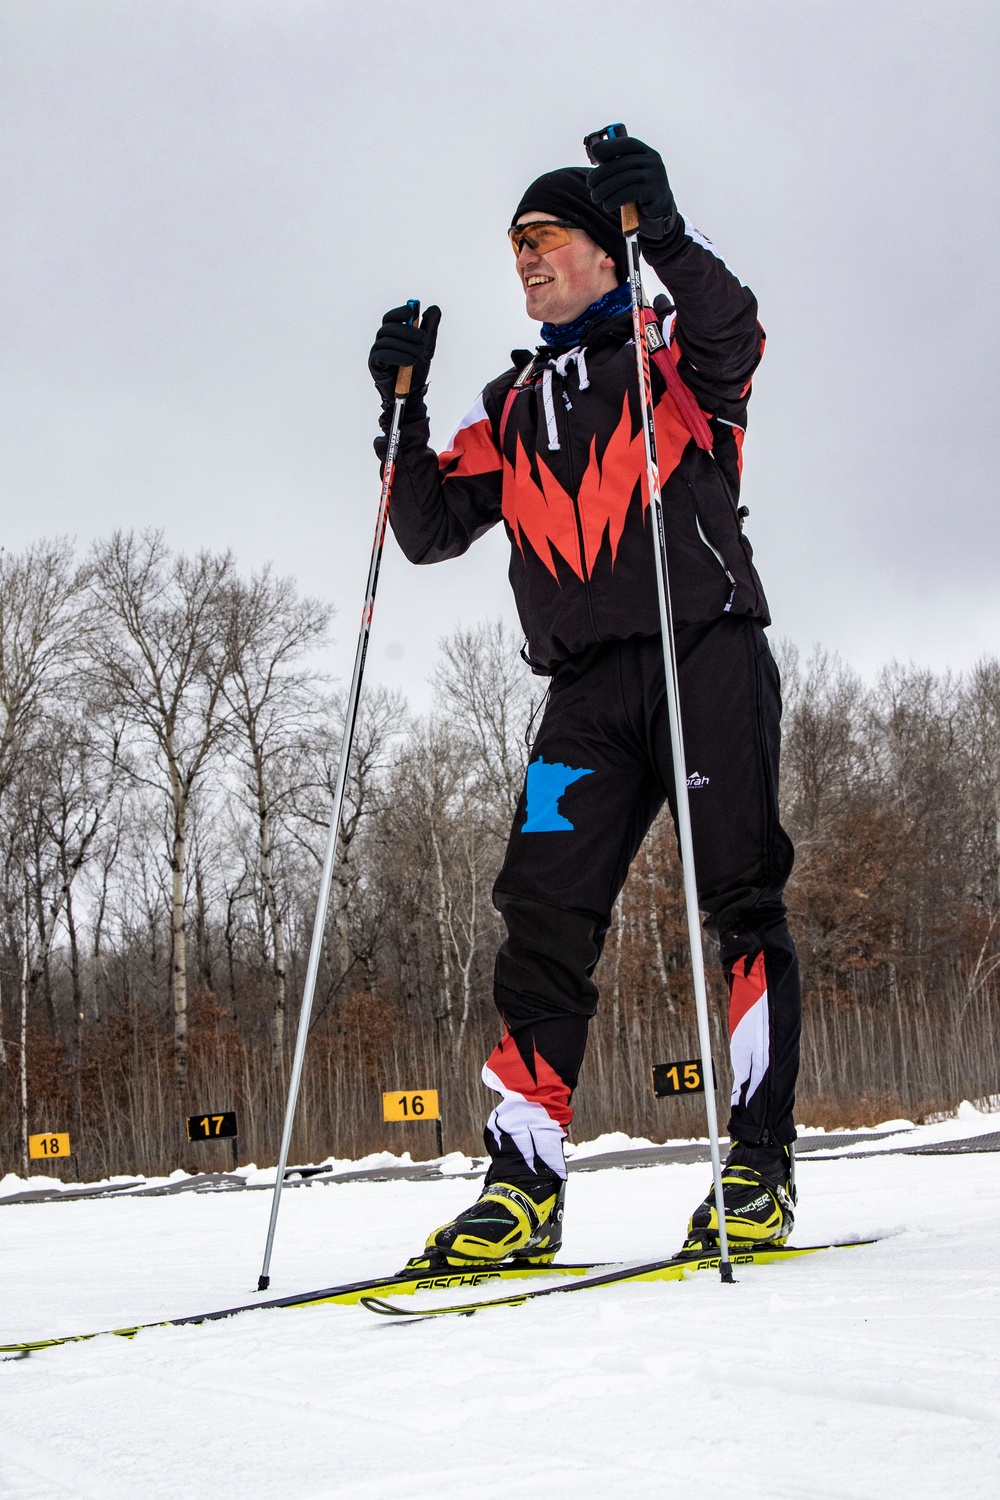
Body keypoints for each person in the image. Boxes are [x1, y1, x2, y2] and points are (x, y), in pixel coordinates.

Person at [368, 133, 800, 1269]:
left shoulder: (674, 356)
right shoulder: (509, 407)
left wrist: (657, 226)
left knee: (742, 897)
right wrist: (399, 412)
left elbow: (735, 326)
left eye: (542, 237)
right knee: (543, 920)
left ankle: (755, 1167)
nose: (523, 260)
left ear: (601, 250)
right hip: (582, 696)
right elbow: (421, 531)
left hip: (699, 652)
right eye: (511, 246)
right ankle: (522, 1184)